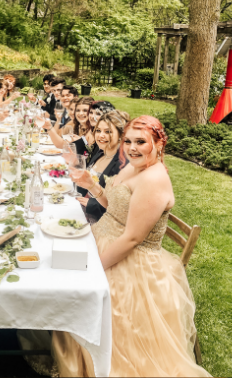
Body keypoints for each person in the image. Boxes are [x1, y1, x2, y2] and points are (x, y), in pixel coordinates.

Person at [52, 115, 211, 377]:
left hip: (129, 261)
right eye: (128, 141)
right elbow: (113, 209)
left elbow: (132, 239)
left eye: (141, 142)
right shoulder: (133, 168)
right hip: (101, 239)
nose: (132, 148)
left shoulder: (153, 181)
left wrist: (95, 269)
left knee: (75, 288)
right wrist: (91, 185)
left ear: (159, 144)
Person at [76, 110, 130, 223]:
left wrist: (92, 204)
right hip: (81, 207)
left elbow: (121, 207)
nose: (101, 135)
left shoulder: (122, 164)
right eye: (98, 130)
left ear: (121, 135)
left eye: (108, 132)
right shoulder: (100, 153)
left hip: (100, 220)